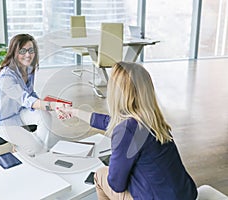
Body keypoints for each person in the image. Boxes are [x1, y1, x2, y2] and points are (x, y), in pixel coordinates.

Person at [58, 62, 198, 199]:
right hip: (186, 194)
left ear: (117, 93)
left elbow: (116, 184)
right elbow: (110, 122)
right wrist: (74, 112)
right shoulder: (152, 119)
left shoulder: (126, 130)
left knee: (100, 175)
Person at [0, 33, 68, 157]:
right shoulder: (6, 77)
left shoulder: (28, 69)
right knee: (36, 147)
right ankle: (32, 150)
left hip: (19, 113)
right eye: (22, 51)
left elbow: (31, 94)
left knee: (44, 115)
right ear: (14, 52)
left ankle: (38, 151)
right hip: (1, 121)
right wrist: (54, 106)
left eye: (31, 50)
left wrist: (49, 106)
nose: (28, 55)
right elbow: (26, 100)